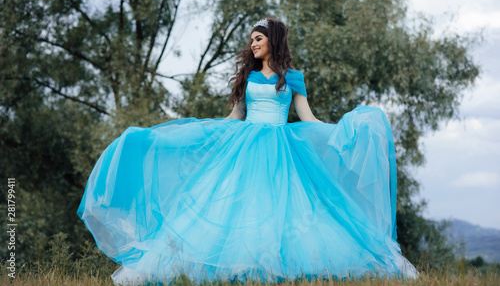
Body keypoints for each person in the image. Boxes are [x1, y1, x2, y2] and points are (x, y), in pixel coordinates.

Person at [77, 17, 419, 285]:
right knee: (237, 205)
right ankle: (238, 267)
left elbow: (308, 118)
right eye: (252, 40)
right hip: (246, 148)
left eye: (258, 38)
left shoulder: (293, 78)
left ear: (273, 41)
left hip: (283, 150)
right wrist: (199, 133)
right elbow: (235, 117)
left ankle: (282, 266)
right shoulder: (248, 78)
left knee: (289, 208)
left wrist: (344, 131)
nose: (252, 44)